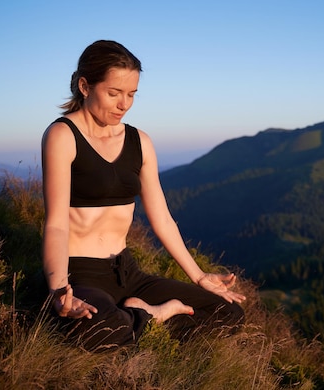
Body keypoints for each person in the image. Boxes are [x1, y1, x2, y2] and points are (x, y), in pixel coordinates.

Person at [41, 40, 245, 351]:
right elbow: (55, 224)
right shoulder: (62, 136)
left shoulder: (140, 142)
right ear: (85, 86)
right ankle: (148, 317)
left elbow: (162, 218)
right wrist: (59, 290)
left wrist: (199, 276)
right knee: (101, 330)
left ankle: (138, 316)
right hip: (81, 273)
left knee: (229, 313)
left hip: (128, 271)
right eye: (114, 93)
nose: (124, 104)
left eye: (131, 94)